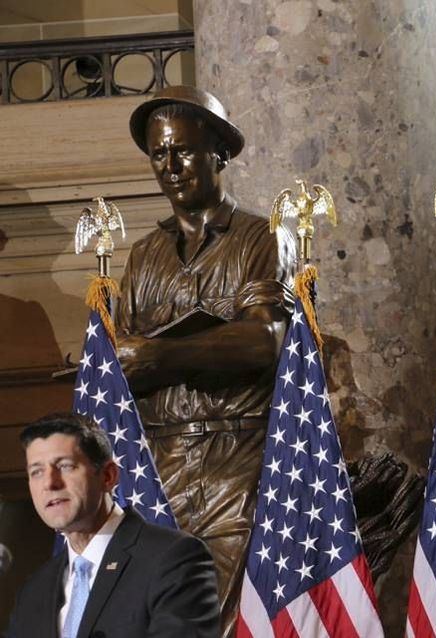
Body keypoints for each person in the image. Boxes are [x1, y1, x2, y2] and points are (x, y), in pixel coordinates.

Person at [114, 85, 295, 633]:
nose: (169, 166)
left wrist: (158, 358)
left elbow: (265, 341)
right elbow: (124, 357)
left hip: (236, 458)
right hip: (159, 461)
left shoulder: (261, 236)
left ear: (219, 152)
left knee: (219, 617)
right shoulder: (145, 255)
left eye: (184, 151)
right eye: (158, 155)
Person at [7, 413, 220, 637]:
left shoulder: (172, 558)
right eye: (36, 472)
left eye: (66, 466)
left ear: (108, 476)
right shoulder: (35, 590)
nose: (50, 483)